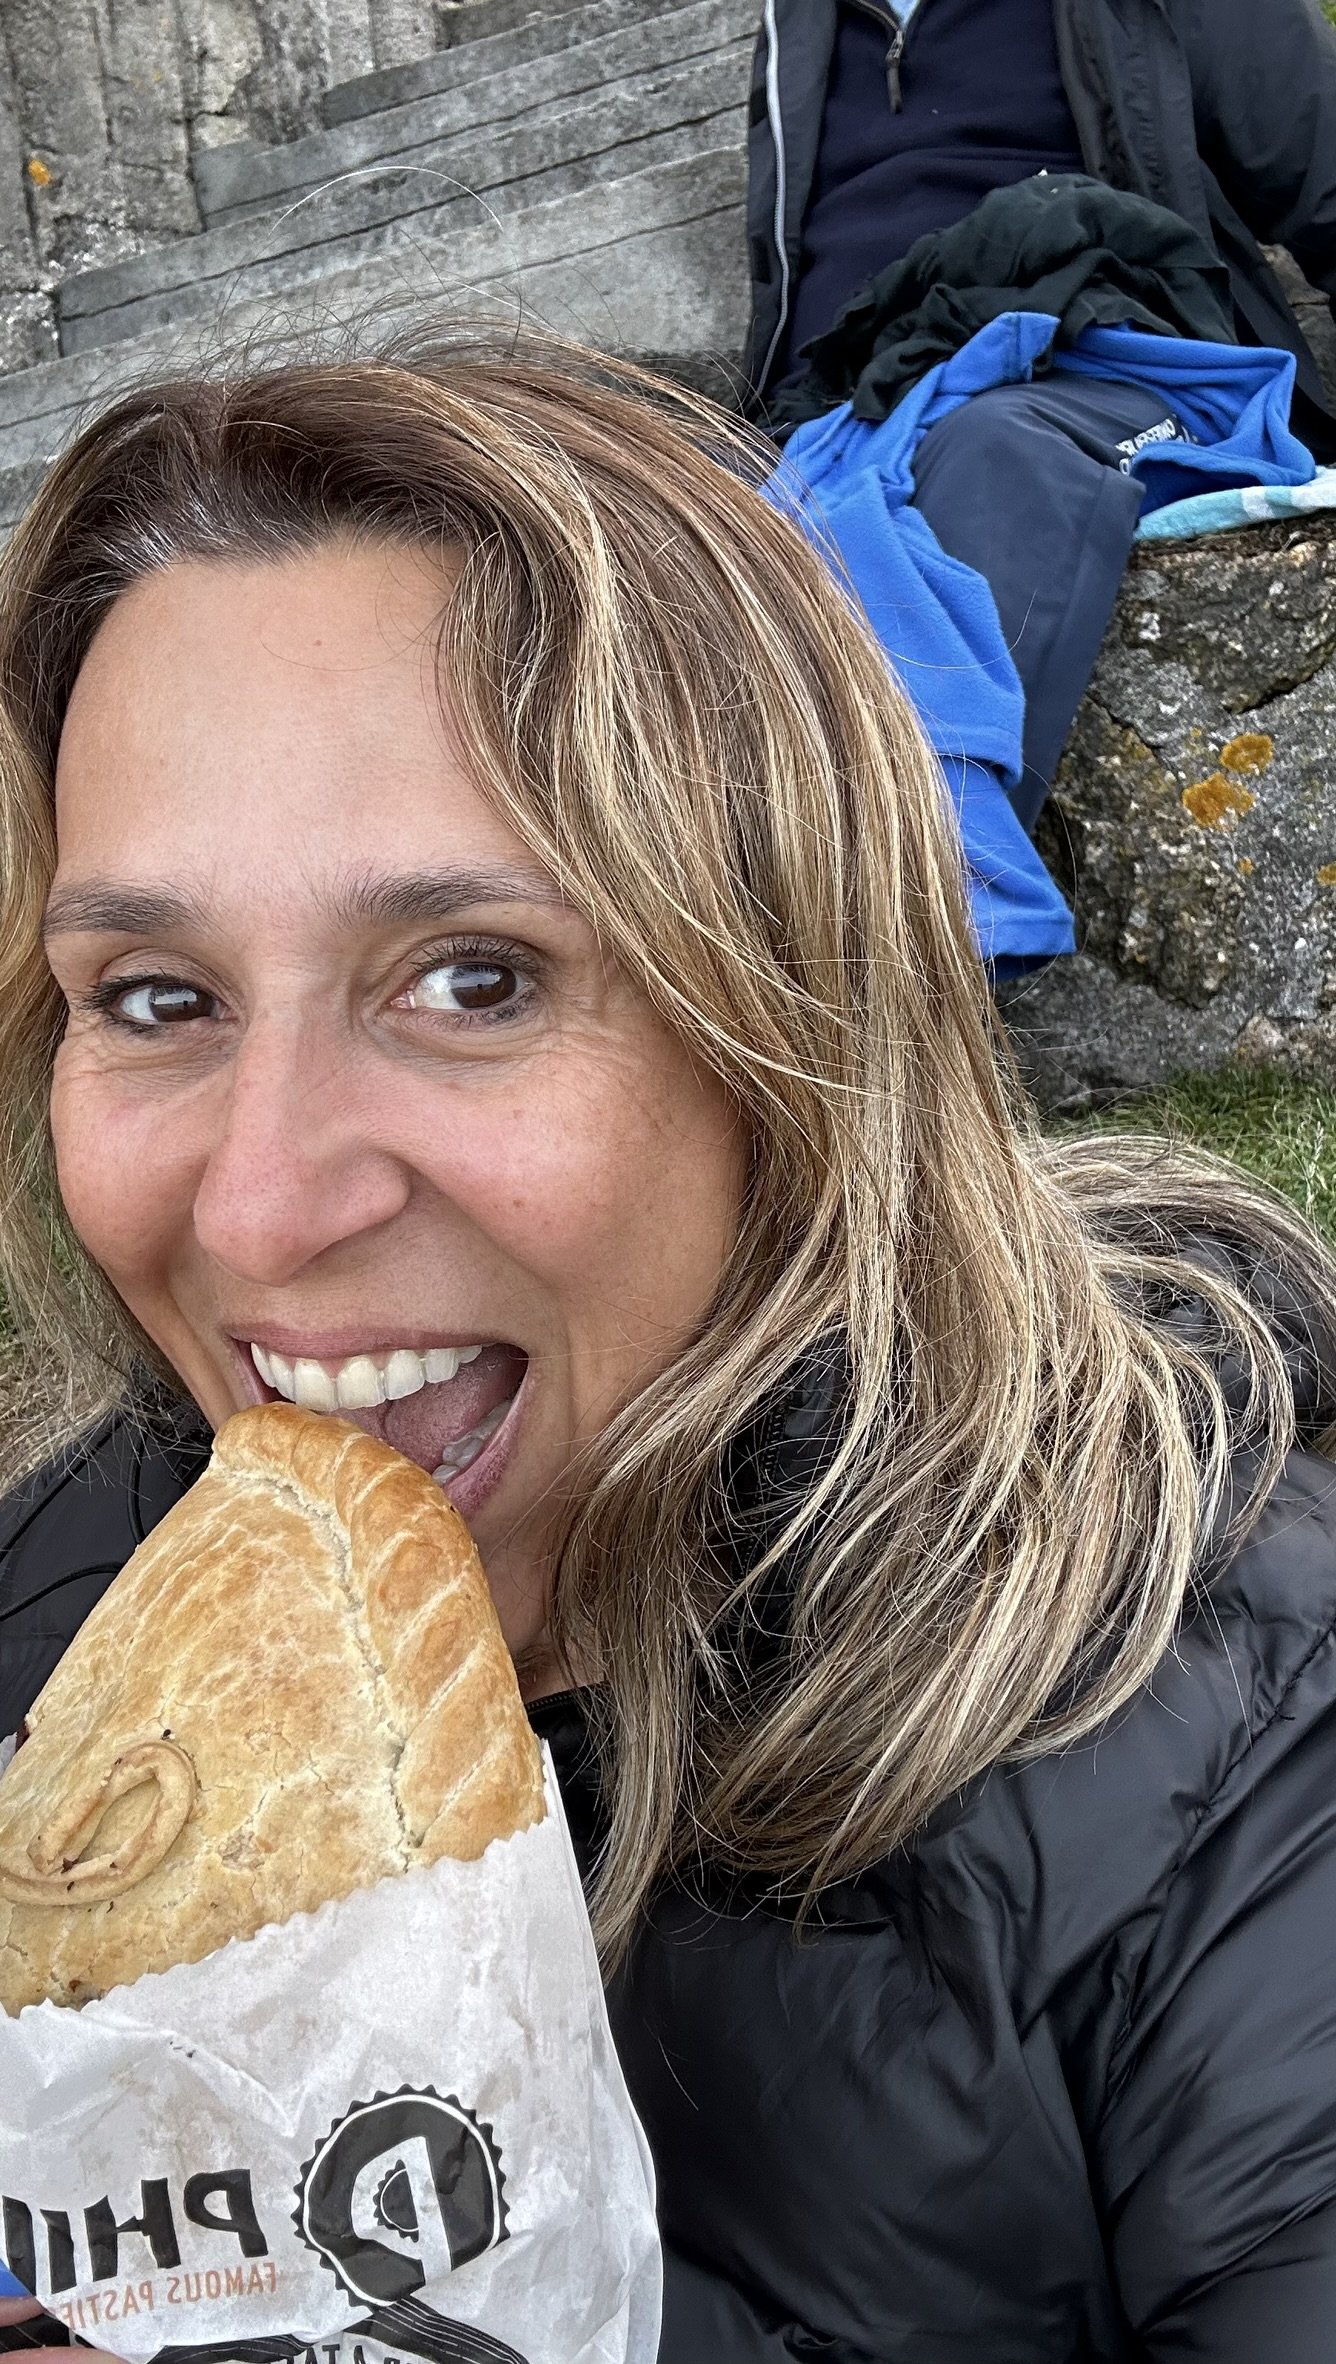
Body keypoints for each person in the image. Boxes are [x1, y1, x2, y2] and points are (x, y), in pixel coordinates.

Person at [2, 337, 1336, 2361]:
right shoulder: (65, 1611)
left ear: (796, 1031)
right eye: (157, 997)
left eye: (473, 978)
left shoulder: (1241, 1781)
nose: (259, 1207)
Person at [744, 0, 1336, 832]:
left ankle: (920, 888)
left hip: (1101, 360)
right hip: (846, 405)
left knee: (998, 454)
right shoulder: (796, 27)